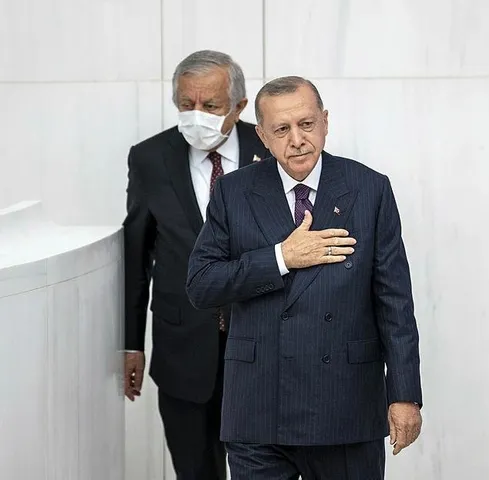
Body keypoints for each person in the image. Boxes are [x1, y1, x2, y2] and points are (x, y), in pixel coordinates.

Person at [186, 76, 423, 480]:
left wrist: (404, 395)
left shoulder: (369, 189)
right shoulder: (232, 192)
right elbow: (201, 284)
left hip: (345, 403)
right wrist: (282, 257)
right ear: (262, 136)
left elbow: (394, 302)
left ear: (325, 122)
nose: (297, 140)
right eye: (281, 129)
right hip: (258, 407)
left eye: (307, 124)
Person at [122, 50, 269, 480]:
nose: (197, 115)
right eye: (187, 104)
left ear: (239, 106)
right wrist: (131, 344)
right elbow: (136, 256)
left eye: (211, 105)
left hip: (262, 347)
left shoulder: (271, 148)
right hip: (181, 348)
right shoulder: (150, 158)